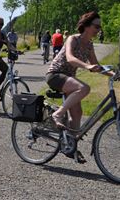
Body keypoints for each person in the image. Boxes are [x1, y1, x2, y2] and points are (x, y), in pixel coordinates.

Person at [46, 11, 113, 163]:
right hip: (55, 75)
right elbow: (70, 58)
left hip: (69, 78)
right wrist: (87, 66)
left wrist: (114, 74)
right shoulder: (73, 39)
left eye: (99, 27)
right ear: (87, 26)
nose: (98, 29)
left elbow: (98, 66)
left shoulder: (89, 45)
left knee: (77, 114)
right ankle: (57, 114)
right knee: (84, 88)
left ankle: (70, 146)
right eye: (96, 26)